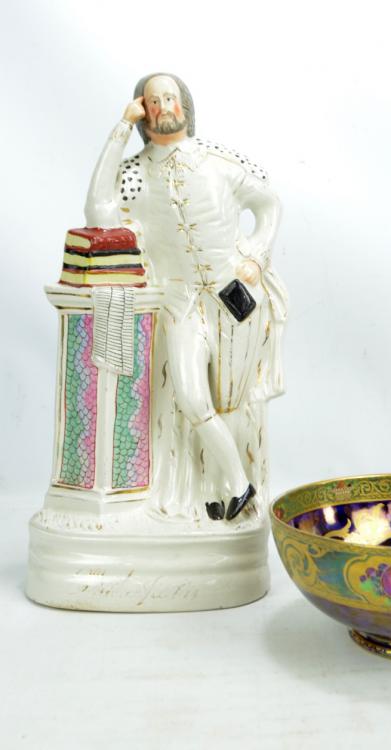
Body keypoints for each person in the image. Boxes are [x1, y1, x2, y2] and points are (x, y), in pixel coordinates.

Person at [85, 72, 287, 522]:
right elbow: (99, 212)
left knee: (230, 400)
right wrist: (121, 128)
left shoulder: (217, 162)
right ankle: (238, 484)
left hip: (234, 298)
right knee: (192, 398)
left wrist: (256, 256)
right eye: (153, 101)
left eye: (170, 98)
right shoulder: (135, 173)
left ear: (185, 105)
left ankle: (218, 492)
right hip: (180, 304)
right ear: (143, 110)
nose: (163, 107)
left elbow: (269, 203)